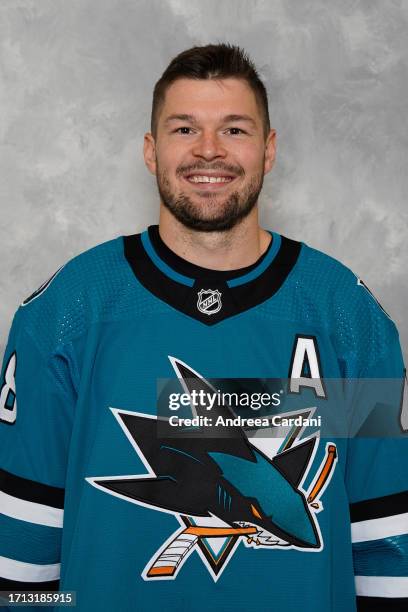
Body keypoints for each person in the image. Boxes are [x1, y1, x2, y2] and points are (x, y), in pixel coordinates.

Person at [0, 43, 406, 612]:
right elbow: (21, 552)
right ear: (151, 150)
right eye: (185, 129)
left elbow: (387, 539)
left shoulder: (345, 315)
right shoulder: (70, 309)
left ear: (269, 151)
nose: (208, 151)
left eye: (235, 130)